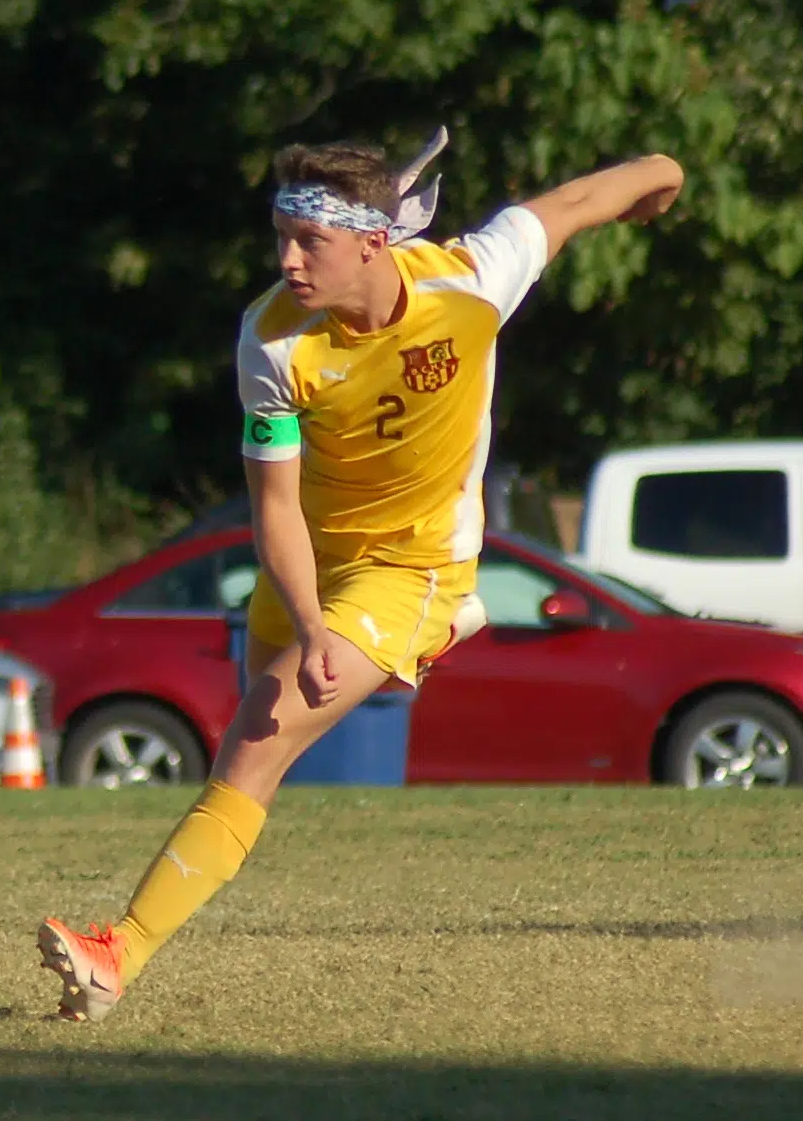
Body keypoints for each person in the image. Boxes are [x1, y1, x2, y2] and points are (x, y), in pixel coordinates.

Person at [36, 128, 685, 1023]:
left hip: (410, 568)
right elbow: (271, 510)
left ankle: (117, 956)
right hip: (311, 566)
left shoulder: (468, 278)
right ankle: (431, 638)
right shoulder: (272, 340)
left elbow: (573, 205)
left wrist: (661, 175)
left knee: (251, 751)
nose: (289, 262)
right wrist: (306, 623)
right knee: (250, 759)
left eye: (311, 243)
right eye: (281, 238)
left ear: (374, 242)